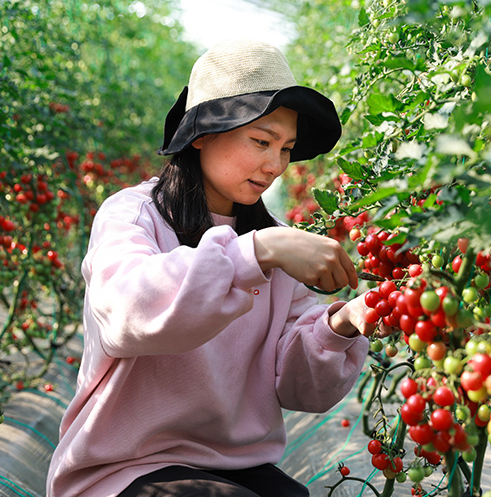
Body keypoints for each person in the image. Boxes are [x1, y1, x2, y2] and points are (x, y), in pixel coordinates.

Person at [46, 39, 392, 497]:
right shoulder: (133, 215)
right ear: (204, 133)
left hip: (236, 467)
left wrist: (343, 323)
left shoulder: (274, 243)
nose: (276, 166)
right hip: (124, 468)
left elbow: (298, 389)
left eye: (286, 148)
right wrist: (258, 250)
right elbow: (131, 312)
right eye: (261, 141)